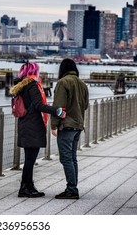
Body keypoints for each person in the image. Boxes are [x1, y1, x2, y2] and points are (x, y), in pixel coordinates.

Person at [10, 61, 66, 198]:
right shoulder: (33, 85)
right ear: (34, 71)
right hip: (32, 125)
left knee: (29, 158)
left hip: (25, 124)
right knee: (30, 160)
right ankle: (24, 188)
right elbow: (38, 106)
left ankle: (29, 186)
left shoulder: (22, 85)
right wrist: (57, 111)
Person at [51, 58, 89, 199]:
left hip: (66, 126)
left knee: (66, 158)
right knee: (73, 158)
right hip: (78, 125)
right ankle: (73, 187)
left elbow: (59, 108)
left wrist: (54, 125)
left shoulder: (63, 82)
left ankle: (72, 189)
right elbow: (85, 105)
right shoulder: (82, 83)